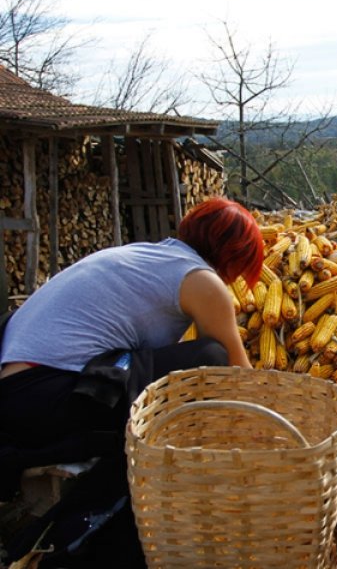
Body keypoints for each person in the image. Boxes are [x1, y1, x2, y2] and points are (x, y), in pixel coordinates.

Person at [0, 197, 263, 567]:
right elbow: (237, 374)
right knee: (210, 358)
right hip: (47, 398)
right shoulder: (201, 280)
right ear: (237, 256)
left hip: (17, 393)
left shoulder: (145, 256)